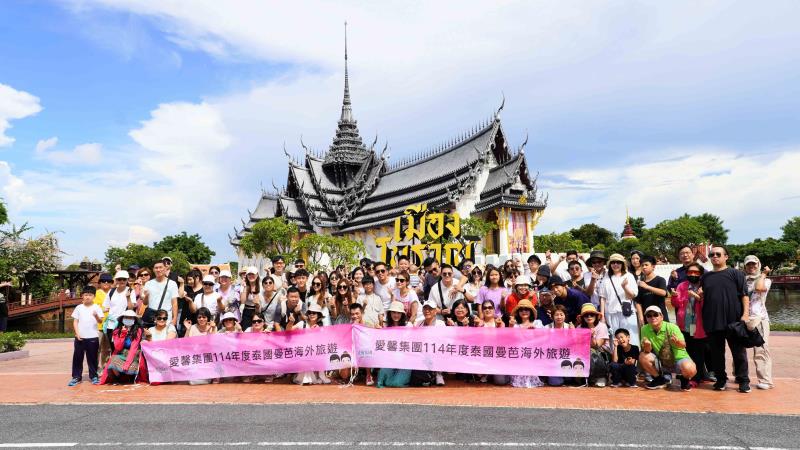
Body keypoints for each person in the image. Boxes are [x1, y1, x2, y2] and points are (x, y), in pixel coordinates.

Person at [702, 245, 750, 393]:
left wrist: (745, 314)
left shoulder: (736, 274)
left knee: (739, 353)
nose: (714, 257)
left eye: (718, 254)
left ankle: (743, 381)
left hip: (733, 320)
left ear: (726, 257)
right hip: (712, 320)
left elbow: (744, 295)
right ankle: (721, 380)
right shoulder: (706, 277)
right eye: (712, 255)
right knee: (716, 354)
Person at [640, 305, 697, 390]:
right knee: (643, 356)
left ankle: (684, 379)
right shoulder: (644, 329)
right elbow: (647, 350)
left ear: (662, 316)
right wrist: (647, 346)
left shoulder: (672, 327)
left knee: (690, 369)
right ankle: (659, 379)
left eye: (655, 314)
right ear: (646, 318)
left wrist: (677, 342)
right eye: (649, 315)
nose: (652, 317)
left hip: (679, 360)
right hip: (662, 361)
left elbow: (683, 344)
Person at [671, 262, 708, 386]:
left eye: (696, 272)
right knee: (688, 350)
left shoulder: (704, 286)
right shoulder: (682, 285)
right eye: (690, 272)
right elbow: (676, 304)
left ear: (701, 274)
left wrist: (699, 297)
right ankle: (691, 374)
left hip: (699, 325)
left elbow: (708, 305)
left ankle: (697, 377)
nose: (692, 274)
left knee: (699, 351)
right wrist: (676, 296)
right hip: (685, 324)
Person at [743, 255, 773, 390]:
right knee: (739, 349)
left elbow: (760, 288)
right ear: (745, 267)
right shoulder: (742, 280)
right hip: (743, 317)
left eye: (754, 264)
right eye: (749, 264)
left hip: (759, 318)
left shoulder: (765, 280)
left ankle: (765, 379)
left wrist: (764, 274)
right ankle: (740, 376)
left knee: (760, 350)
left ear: (759, 265)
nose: (752, 267)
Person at [600, 253, 640, 346]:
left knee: (630, 337)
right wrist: (602, 315)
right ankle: (617, 359)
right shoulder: (606, 278)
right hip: (610, 313)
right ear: (610, 264)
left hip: (626, 312)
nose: (615, 264)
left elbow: (632, 295)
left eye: (618, 262)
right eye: (613, 262)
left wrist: (625, 287)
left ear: (622, 264)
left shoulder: (629, 276)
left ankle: (633, 358)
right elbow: (603, 298)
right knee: (614, 339)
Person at [68, 286, 104, 386]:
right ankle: (76, 377)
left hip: (93, 337)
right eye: (86, 295)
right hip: (80, 337)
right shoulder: (79, 307)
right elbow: (75, 321)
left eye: (90, 295)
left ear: (94, 296)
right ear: (82, 296)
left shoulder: (97, 307)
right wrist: (77, 333)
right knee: (77, 357)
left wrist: (96, 316)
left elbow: (100, 321)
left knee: (92, 358)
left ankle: (94, 376)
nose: (88, 297)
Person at [101, 310, 145, 385]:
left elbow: (134, 348)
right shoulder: (117, 331)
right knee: (113, 362)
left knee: (130, 367)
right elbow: (118, 347)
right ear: (122, 319)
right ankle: (119, 379)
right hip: (121, 353)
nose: (128, 319)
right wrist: (123, 335)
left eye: (131, 318)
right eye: (126, 317)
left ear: (134, 320)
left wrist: (127, 363)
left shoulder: (138, 330)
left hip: (133, 355)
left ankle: (130, 378)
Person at [376, 301, 413, 388]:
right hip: (389, 360)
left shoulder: (409, 326)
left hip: (405, 361)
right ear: (390, 313)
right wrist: (377, 332)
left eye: (398, 313)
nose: (396, 315)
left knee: (397, 383)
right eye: (393, 312)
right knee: (382, 381)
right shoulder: (385, 326)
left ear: (402, 314)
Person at [509, 299, 544, 388]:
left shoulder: (537, 323)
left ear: (531, 312)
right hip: (519, 356)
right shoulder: (515, 325)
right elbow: (510, 340)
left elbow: (544, 339)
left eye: (526, 309)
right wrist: (510, 327)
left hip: (535, 354)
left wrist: (536, 332)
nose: (524, 311)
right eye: (521, 310)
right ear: (518, 312)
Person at [293, 304, 331, 385]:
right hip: (302, 353)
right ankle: (306, 377)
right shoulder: (302, 323)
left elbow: (324, 343)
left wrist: (318, 332)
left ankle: (319, 375)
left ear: (318, 315)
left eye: (314, 313)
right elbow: (288, 330)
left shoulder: (321, 328)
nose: (312, 315)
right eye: (310, 313)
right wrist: (291, 321)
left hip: (315, 353)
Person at [416, 299, 446, 386]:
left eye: (430, 309)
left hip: (436, 351)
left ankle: (438, 374)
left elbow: (444, 341)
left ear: (435, 311)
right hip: (422, 352)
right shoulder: (418, 323)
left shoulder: (441, 324)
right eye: (425, 309)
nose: (427, 311)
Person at [578, 303, 610, 387]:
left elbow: (597, 345)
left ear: (596, 316)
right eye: (586, 315)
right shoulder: (579, 328)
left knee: (591, 352)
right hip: (583, 353)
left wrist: (591, 336)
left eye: (591, 314)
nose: (589, 317)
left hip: (601, 353)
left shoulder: (602, 326)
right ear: (582, 318)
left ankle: (601, 377)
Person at [141, 261, 179, 329]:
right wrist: (146, 296)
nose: (158, 270)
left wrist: (175, 318)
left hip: (166, 318)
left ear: (165, 268)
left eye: (160, 267)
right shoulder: (148, 283)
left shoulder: (172, 284)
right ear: (153, 270)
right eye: (156, 268)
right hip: (152, 318)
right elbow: (145, 303)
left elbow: (174, 303)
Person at [102, 271, 133, 346]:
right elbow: (106, 307)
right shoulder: (111, 291)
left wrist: (128, 298)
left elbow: (131, 309)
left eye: (124, 279)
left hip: (124, 324)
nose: (122, 281)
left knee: (123, 347)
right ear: (116, 280)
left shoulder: (131, 291)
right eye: (119, 279)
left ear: (127, 280)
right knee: (112, 347)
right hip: (111, 324)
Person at [636, 255, 669, 322]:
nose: (644, 267)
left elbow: (663, 293)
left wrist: (647, 287)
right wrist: (641, 317)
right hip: (647, 318)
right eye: (642, 265)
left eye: (646, 265)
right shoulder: (641, 284)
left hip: (661, 317)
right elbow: (638, 302)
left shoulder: (660, 280)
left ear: (653, 267)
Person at [177, 269, 203, 337]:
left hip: (198, 319)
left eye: (190, 279)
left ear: (197, 278)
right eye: (187, 280)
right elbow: (180, 296)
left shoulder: (203, 289)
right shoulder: (186, 287)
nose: (189, 282)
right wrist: (182, 284)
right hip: (185, 319)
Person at [238, 266, 261, 330]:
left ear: (257, 275)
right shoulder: (244, 286)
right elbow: (242, 301)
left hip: (258, 311)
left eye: (253, 274)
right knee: (246, 330)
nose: (251, 276)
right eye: (249, 274)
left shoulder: (261, 285)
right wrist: (246, 286)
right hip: (247, 311)